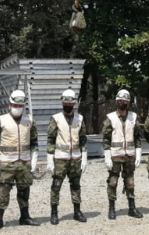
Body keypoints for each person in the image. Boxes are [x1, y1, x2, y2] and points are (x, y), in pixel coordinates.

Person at [0, 90, 39, 231]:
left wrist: (34, 159)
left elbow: (34, 141)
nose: (18, 108)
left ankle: (25, 217)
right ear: (10, 105)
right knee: (4, 191)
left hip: (24, 163)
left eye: (20, 105)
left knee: (24, 191)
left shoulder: (30, 120)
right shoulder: (0, 121)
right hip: (6, 163)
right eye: (15, 105)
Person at [46, 89, 88, 225]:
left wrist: (85, 156)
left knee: (76, 185)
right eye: (65, 103)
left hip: (75, 158)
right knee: (56, 185)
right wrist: (49, 159)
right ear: (62, 103)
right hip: (60, 159)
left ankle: (77, 211)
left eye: (70, 103)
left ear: (74, 104)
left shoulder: (79, 119)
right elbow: (51, 139)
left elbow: (83, 139)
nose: (68, 105)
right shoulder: (56, 118)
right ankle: (54, 213)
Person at [102, 89, 144, 220]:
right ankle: (112, 209)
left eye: (125, 101)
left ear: (128, 103)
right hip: (115, 156)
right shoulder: (110, 118)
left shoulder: (134, 117)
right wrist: (107, 155)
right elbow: (106, 139)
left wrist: (138, 152)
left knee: (130, 182)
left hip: (129, 156)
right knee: (113, 182)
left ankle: (132, 208)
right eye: (120, 101)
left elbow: (137, 137)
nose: (122, 103)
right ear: (116, 102)